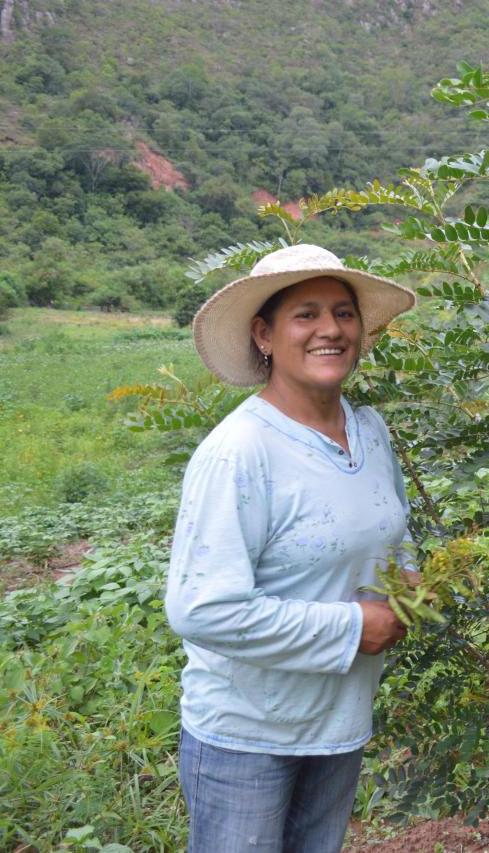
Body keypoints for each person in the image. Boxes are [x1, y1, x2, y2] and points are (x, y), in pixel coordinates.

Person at [165, 244, 419, 852]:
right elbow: (200, 610)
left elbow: (395, 529)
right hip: (246, 738)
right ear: (264, 335)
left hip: (337, 723)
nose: (330, 329)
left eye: (344, 313)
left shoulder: (368, 430)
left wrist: (409, 579)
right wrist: (353, 628)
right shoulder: (240, 453)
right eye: (305, 314)